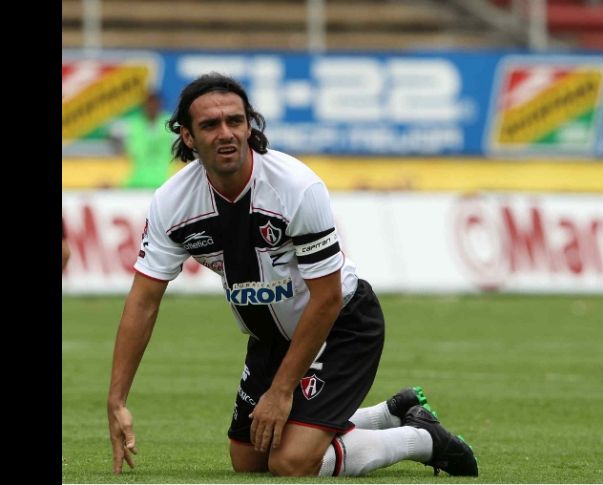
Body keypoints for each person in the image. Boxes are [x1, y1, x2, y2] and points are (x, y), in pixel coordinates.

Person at [107, 73, 478, 478]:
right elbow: (143, 300)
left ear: (250, 124)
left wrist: (282, 392)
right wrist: (118, 400)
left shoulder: (295, 187)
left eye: (235, 121)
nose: (226, 133)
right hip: (270, 338)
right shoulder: (172, 204)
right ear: (188, 136)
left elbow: (328, 297)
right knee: (249, 459)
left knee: (290, 462)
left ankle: (422, 439)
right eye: (210, 125)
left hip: (340, 325)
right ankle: (387, 413)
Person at [110, 92, 177, 189]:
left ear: (160, 105)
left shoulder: (171, 124)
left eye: (155, 104)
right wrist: (121, 151)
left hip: (165, 182)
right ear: (143, 106)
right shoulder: (132, 125)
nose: (152, 107)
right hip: (135, 182)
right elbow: (111, 131)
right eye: (149, 104)